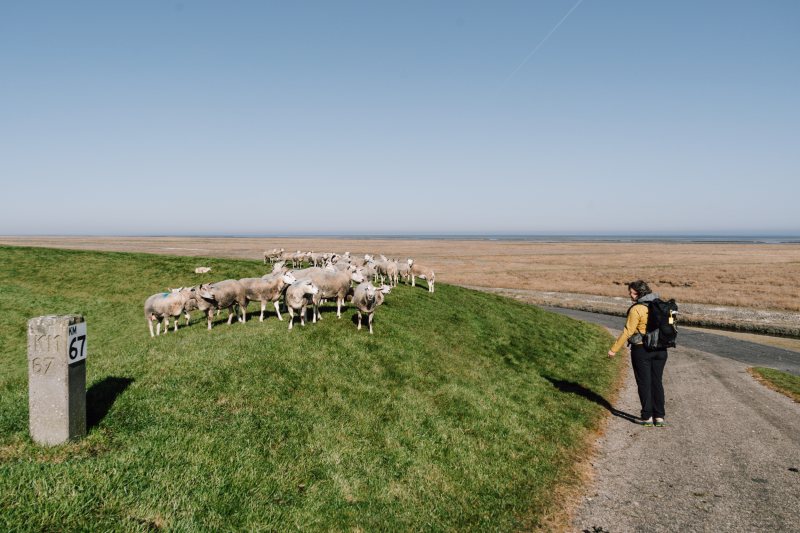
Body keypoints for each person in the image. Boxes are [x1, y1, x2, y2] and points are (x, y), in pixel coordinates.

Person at [607, 280, 668, 427]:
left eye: (631, 292)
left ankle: (647, 417)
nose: (630, 294)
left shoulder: (637, 309)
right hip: (661, 349)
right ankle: (659, 417)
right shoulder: (660, 305)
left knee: (644, 383)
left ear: (638, 293)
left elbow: (628, 331)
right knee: (657, 382)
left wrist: (614, 349)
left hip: (642, 350)